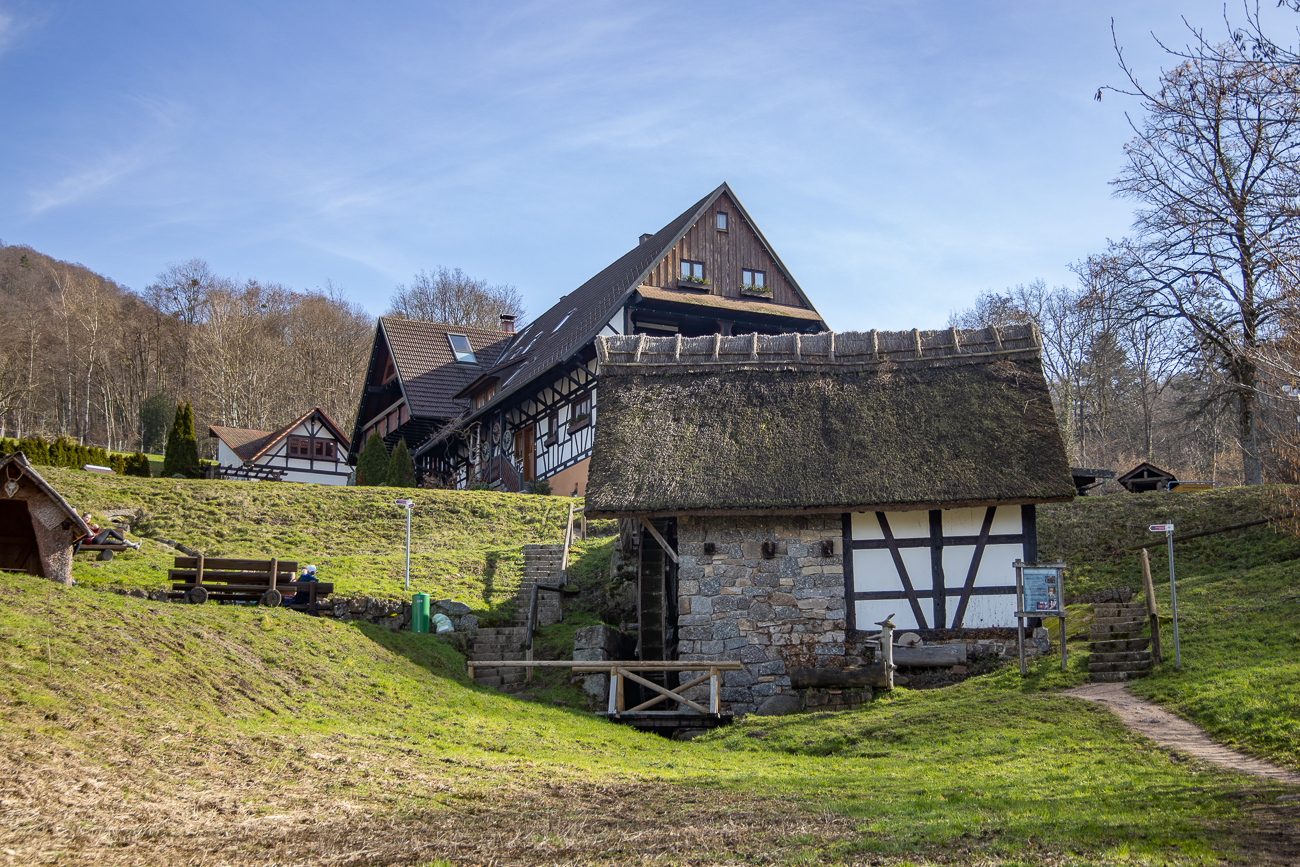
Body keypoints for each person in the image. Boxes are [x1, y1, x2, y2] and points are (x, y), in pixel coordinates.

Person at [73, 513, 140, 553]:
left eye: (89, 518)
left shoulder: (87, 525)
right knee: (109, 530)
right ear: (83, 517)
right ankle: (125, 540)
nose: (88, 519)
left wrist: (96, 528)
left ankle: (133, 545)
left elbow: (94, 531)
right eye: (87, 517)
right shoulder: (81, 524)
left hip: (95, 540)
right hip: (93, 540)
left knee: (111, 542)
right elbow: (89, 533)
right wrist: (95, 529)